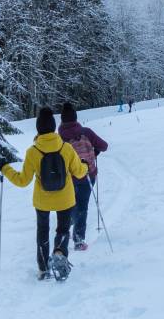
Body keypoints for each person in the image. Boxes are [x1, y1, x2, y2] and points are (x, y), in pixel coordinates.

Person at [0, 107, 88, 281]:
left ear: (38, 129)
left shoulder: (33, 152)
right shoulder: (66, 148)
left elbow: (22, 180)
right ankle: (59, 253)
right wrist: (84, 164)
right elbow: (79, 172)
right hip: (65, 199)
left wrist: (5, 168)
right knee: (63, 229)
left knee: (42, 232)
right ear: (54, 127)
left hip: (42, 201)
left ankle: (42, 269)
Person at [58, 102, 108, 251]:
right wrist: (95, 151)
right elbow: (104, 146)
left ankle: (73, 221)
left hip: (69, 177)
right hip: (88, 174)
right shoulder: (86, 132)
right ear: (75, 118)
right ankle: (79, 240)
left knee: (72, 203)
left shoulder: (59, 138)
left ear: (62, 121)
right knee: (83, 206)